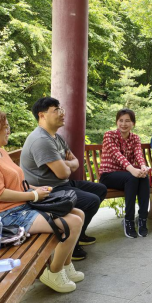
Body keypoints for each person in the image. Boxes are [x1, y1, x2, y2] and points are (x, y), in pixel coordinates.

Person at [0, 110, 85, 293]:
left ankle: (66, 266)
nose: (8, 131)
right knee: (73, 222)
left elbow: (17, 182)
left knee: (79, 214)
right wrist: (33, 196)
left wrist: (37, 189)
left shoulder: (0, 152)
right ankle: (54, 272)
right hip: (9, 216)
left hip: (23, 207)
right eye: (5, 127)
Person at [20, 97, 108, 261]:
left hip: (61, 185)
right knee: (91, 200)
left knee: (100, 189)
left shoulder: (55, 137)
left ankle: (79, 234)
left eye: (61, 109)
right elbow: (64, 173)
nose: (62, 113)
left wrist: (64, 164)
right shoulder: (41, 140)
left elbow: (76, 162)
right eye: (56, 110)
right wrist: (67, 165)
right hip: (47, 191)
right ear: (42, 115)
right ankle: (72, 245)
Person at [99, 109, 151, 238]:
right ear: (116, 122)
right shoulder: (109, 135)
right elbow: (117, 156)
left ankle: (142, 219)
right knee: (132, 178)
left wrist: (143, 167)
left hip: (127, 175)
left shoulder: (135, 138)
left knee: (144, 177)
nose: (124, 124)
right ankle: (129, 220)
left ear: (133, 123)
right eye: (121, 120)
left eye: (127, 121)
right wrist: (133, 170)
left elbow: (139, 154)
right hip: (108, 175)